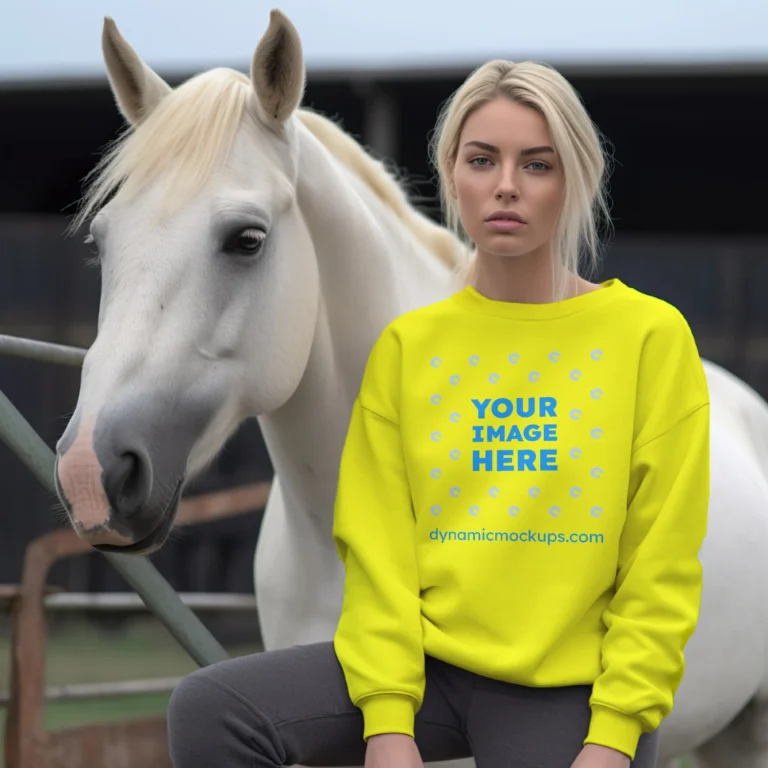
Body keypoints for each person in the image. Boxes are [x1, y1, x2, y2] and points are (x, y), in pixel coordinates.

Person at [166, 58, 710, 768]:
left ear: (575, 177)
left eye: (536, 164)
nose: (506, 185)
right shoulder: (410, 347)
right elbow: (381, 554)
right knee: (211, 711)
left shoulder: (649, 337)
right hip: (433, 674)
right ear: (451, 171)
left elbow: (661, 568)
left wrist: (613, 738)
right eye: (482, 159)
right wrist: (389, 725)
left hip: (568, 691)